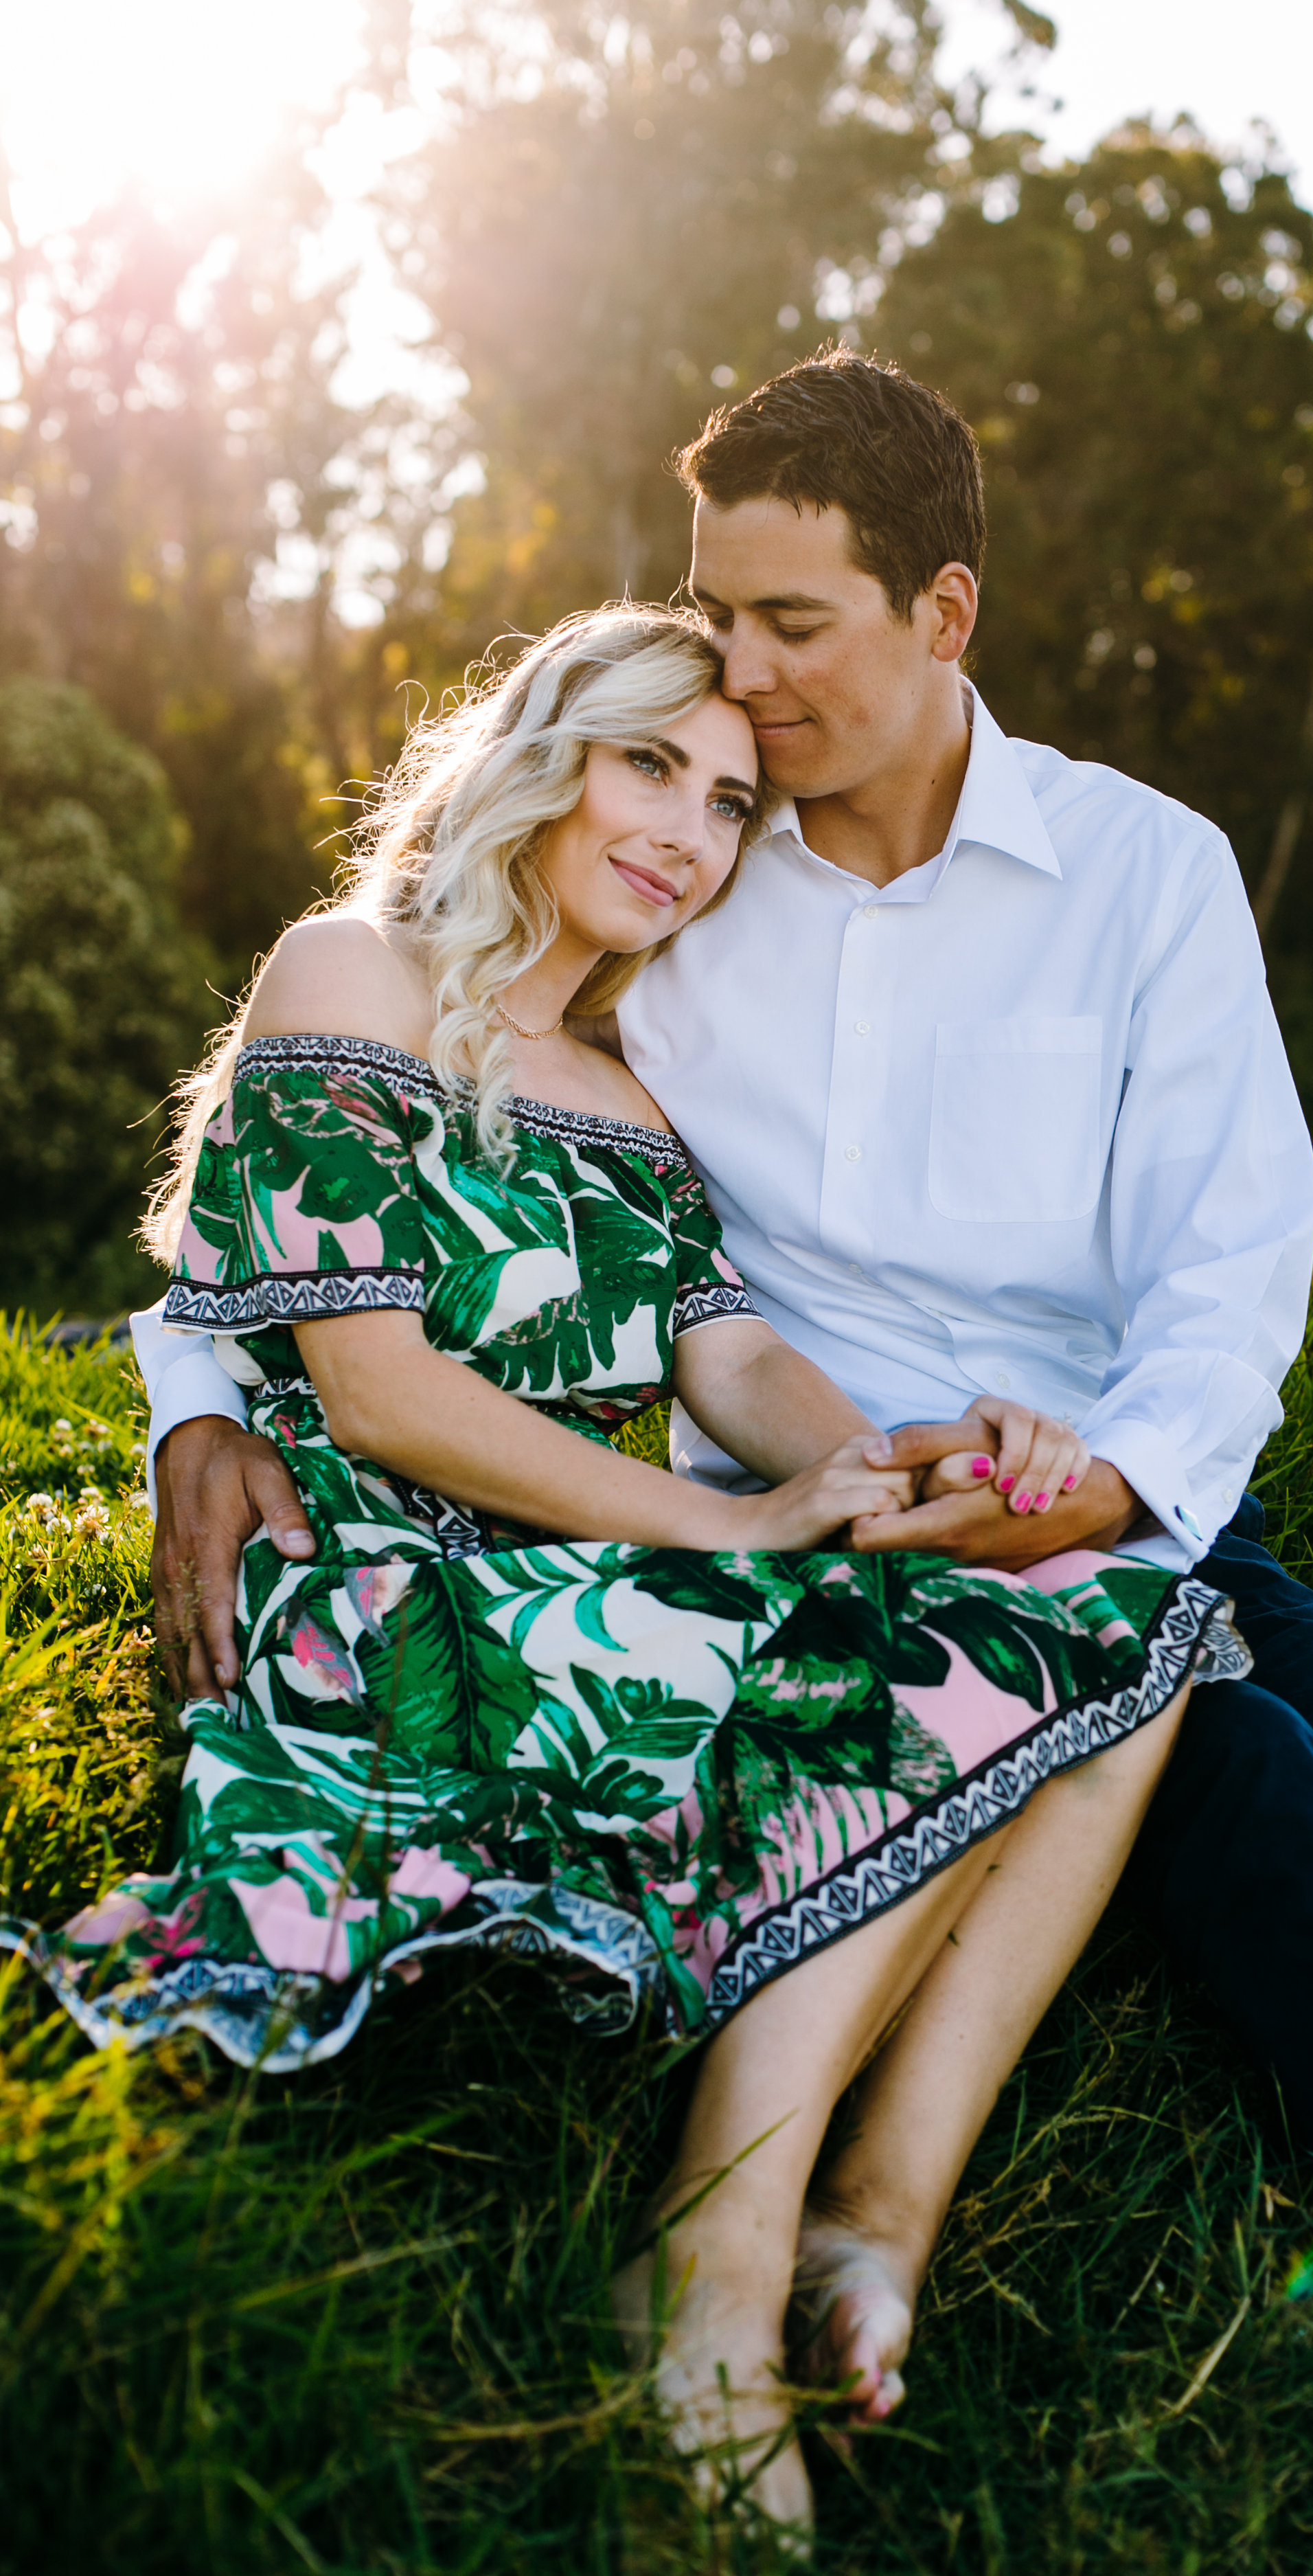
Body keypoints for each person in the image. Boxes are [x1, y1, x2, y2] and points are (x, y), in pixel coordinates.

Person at [138, 357, 1313, 2389]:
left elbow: (1234, 1268)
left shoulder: (1140, 874)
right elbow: (339, 1170)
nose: (745, 692)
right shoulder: (668, 906)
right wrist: (192, 1395)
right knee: (1266, 1801)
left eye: (793, 629)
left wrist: (1111, 1494)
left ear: (940, 614)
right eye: (718, 631)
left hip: (1102, 1482)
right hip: (847, 1509)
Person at [3, 604, 1249, 2539]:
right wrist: (738, 1528)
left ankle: (871, 2212)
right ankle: (710, 2261)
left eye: (731, 798)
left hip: (580, 1567)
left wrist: (905, 1462)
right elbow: (383, 1390)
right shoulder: (353, 973)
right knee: (935, 1666)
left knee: (1130, 1633)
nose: (687, 824)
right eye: (648, 761)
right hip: (380, 1585)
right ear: (544, 749)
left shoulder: (635, 1100)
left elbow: (730, 1365)